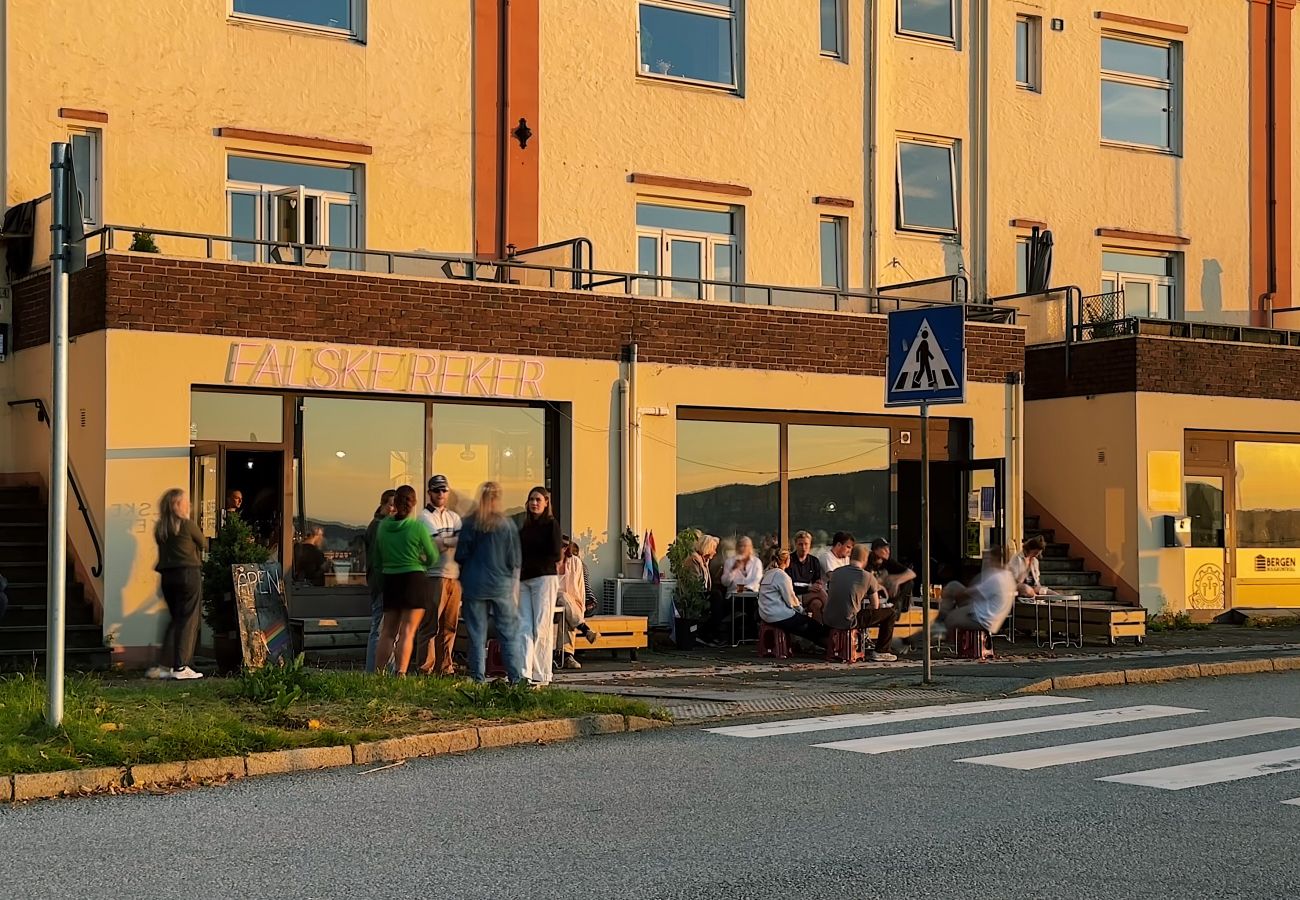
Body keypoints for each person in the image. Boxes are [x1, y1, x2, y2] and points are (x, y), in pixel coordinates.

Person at [456, 481, 526, 684]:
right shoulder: (507, 525)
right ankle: (516, 679)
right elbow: (514, 560)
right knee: (508, 634)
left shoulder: (470, 523)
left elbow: (461, 554)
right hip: (501, 586)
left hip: (474, 584)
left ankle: (478, 679)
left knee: (477, 635)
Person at [372, 485, 439, 676]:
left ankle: (378, 672)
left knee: (387, 631)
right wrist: (421, 563)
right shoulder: (417, 527)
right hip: (414, 580)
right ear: (414, 503)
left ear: (395, 502)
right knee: (407, 632)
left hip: (391, 580)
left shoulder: (383, 527)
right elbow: (433, 556)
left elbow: (376, 560)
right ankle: (400, 672)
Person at [150, 488, 206, 680]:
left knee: (175, 620)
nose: (189, 504)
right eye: (185, 502)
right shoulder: (187, 525)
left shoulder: (161, 528)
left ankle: (164, 665)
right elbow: (203, 543)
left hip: (167, 576)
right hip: (188, 573)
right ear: (177, 505)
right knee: (188, 620)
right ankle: (181, 666)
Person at [414, 474, 464, 675]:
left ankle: (445, 667)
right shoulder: (424, 517)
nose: (440, 493)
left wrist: (446, 540)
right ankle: (425, 668)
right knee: (430, 625)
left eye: (444, 490)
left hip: (454, 576)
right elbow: (436, 546)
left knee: (450, 626)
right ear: (429, 493)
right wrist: (452, 540)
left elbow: (461, 543)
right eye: (436, 490)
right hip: (434, 575)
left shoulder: (454, 517)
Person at [518, 485, 564, 686]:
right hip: (524, 580)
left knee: (541, 626)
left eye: (538, 499)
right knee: (524, 627)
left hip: (544, 579)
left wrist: (533, 558)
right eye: (531, 499)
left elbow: (555, 553)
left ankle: (542, 674)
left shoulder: (551, 525)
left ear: (546, 503)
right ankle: (524, 674)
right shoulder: (525, 527)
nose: (534, 503)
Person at [825, 545, 899, 662]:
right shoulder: (867, 576)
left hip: (829, 619)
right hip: (849, 621)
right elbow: (875, 606)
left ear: (850, 557)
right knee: (891, 613)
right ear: (865, 559)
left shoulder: (836, 572)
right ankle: (881, 651)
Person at [930, 550, 1017, 642]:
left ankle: (939, 630)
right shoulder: (1006, 575)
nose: (986, 562)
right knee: (953, 586)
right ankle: (940, 621)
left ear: (996, 560)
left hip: (983, 618)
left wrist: (949, 595)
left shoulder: (996, 578)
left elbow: (967, 594)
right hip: (983, 606)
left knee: (950, 618)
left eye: (988, 559)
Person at [757, 547, 827, 646]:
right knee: (813, 626)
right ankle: (826, 645)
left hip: (766, 615)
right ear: (787, 560)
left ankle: (812, 645)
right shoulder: (782, 576)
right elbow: (791, 600)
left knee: (808, 623)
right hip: (780, 616)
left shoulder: (767, 574)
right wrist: (802, 611)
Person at [363, 489, 396, 673]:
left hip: (382, 584)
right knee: (380, 628)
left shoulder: (381, 525)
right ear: (383, 505)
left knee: (383, 628)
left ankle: (380, 669)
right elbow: (378, 560)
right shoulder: (378, 527)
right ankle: (375, 670)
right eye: (391, 504)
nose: (394, 508)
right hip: (382, 584)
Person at [557, 537, 600, 670]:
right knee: (562, 596)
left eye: (564, 547)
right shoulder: (548, 562)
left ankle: (567, 656)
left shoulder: (576, 563)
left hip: (571, 606)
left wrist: (578, 608)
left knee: (565, 612)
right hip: (550, 602)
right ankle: (585, 629)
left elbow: (580, 591)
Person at [867, 538, 917, 612]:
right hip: (871, 592)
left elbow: (912, 574)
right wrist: (882, 581)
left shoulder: (888, 562)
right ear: (876, 550)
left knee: (909, 582)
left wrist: (896, 581)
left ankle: (895, 606)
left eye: (888, 548)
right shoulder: (867, 561)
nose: (888, 551)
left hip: (888, 593)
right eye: (884, 549)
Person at [788, 530, 828, 622]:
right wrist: (809, 588)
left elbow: (816, 581)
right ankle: (832, 617)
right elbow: (789, 587)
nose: (804, 547)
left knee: (816, 604)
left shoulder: (814, 561)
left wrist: (818, 584)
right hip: (793, 596)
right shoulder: (789, 561)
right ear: (796, 544)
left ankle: (817, 629)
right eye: (800, 544)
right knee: (820, 592)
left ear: (810, 545)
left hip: (809, 595)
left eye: (806, 544)